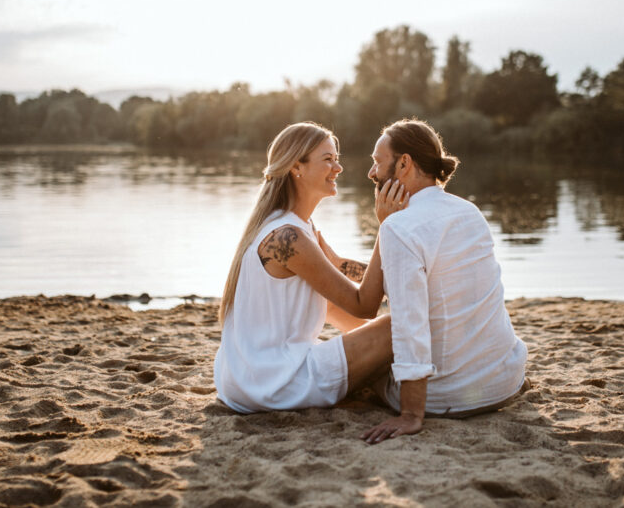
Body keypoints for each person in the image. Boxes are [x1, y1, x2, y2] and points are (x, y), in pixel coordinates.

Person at [214, 122, 408, 413]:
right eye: (328, 159)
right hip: (274, 381)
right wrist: (388, 226)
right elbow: (364, 304)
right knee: (398, 328)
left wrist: (411, 273)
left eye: (337, 158)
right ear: (297, 167)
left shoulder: (296, 227)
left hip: (247, 377)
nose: (338, 168)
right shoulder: (288, 238)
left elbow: (339, 269)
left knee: (395, 335)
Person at [361, 119, 528, 444]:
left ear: (405, 163)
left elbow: (410, 324)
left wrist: (411, 413)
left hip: (444, 398)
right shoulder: (470, 212)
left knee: (362, 361)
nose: (371, 173)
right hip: (505, 383)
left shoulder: (399, 227)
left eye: (377, 162)